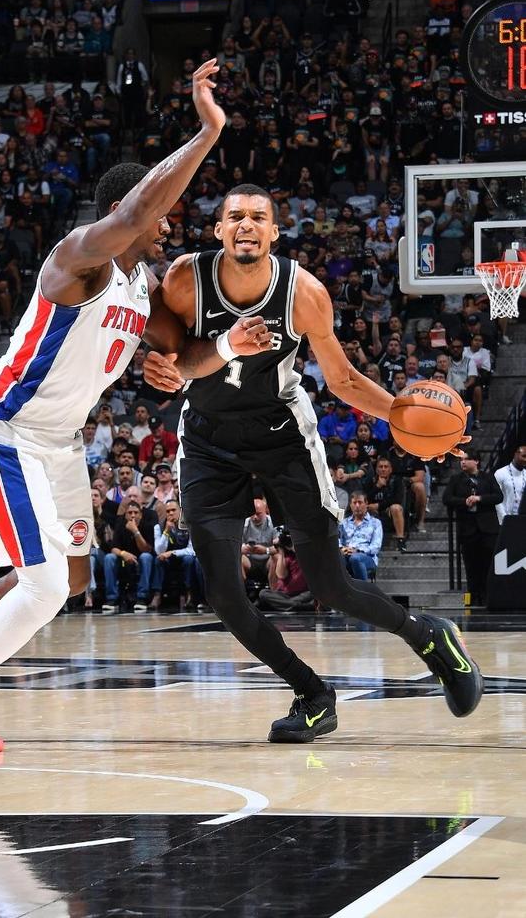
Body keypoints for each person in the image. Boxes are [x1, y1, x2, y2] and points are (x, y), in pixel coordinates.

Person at [0, 60, 271, 752]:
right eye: (160, 214)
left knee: (71, 578)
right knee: (42, 587)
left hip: (62, 443)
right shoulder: (79, 258)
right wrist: (206, 134)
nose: (168, 225)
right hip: (6, 429)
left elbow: (182, 356)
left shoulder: (141, 286)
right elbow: (136, 213)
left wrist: (220, 349)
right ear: (131, 209)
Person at [145, 182, 481, 744]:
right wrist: (156, 365)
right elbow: (166, 350)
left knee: (332, 584)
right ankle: (313, 694)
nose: (246, 225)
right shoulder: (185, 279)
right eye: (236, 216)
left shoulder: (303, 292)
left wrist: (408, 421)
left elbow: (343, 379)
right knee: (225, 597)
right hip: (207, 440)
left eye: (258, 217)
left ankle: (429, 636)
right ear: (219, 230)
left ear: (275, 232)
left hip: (282, 436)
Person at [443, 451, 502, 605]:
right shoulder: (456, 479)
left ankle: (488, 596)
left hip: (488, 529)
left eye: (466, 459)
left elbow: (498, 496)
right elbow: (447, 498)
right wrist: (464, 501)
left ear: (476, 461)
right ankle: (474, 597)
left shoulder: (487, 477)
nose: (462, 462)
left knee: (488, 564)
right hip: (468, 528)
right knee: (471, 565)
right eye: (461, 460)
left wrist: (480, 498)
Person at [339, 492, 383, 581]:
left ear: (366, 504)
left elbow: (376, 546)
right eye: (354, 503)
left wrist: (358, 550)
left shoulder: (375, 523)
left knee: (355, 558)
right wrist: (341, 548)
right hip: (346, 554)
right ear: (350, 505)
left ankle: (363, 588)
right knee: (337, 559)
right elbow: (337, 539)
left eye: (360, 502)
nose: (357, 506)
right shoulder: (343, 523)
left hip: (366, 557)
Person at [494, 445, 526, 524]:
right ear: (515, 454)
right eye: (524, 456)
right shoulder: (500, 473)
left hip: (522, 519)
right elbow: (496, 499)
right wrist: (504, 518)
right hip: (505, 520)